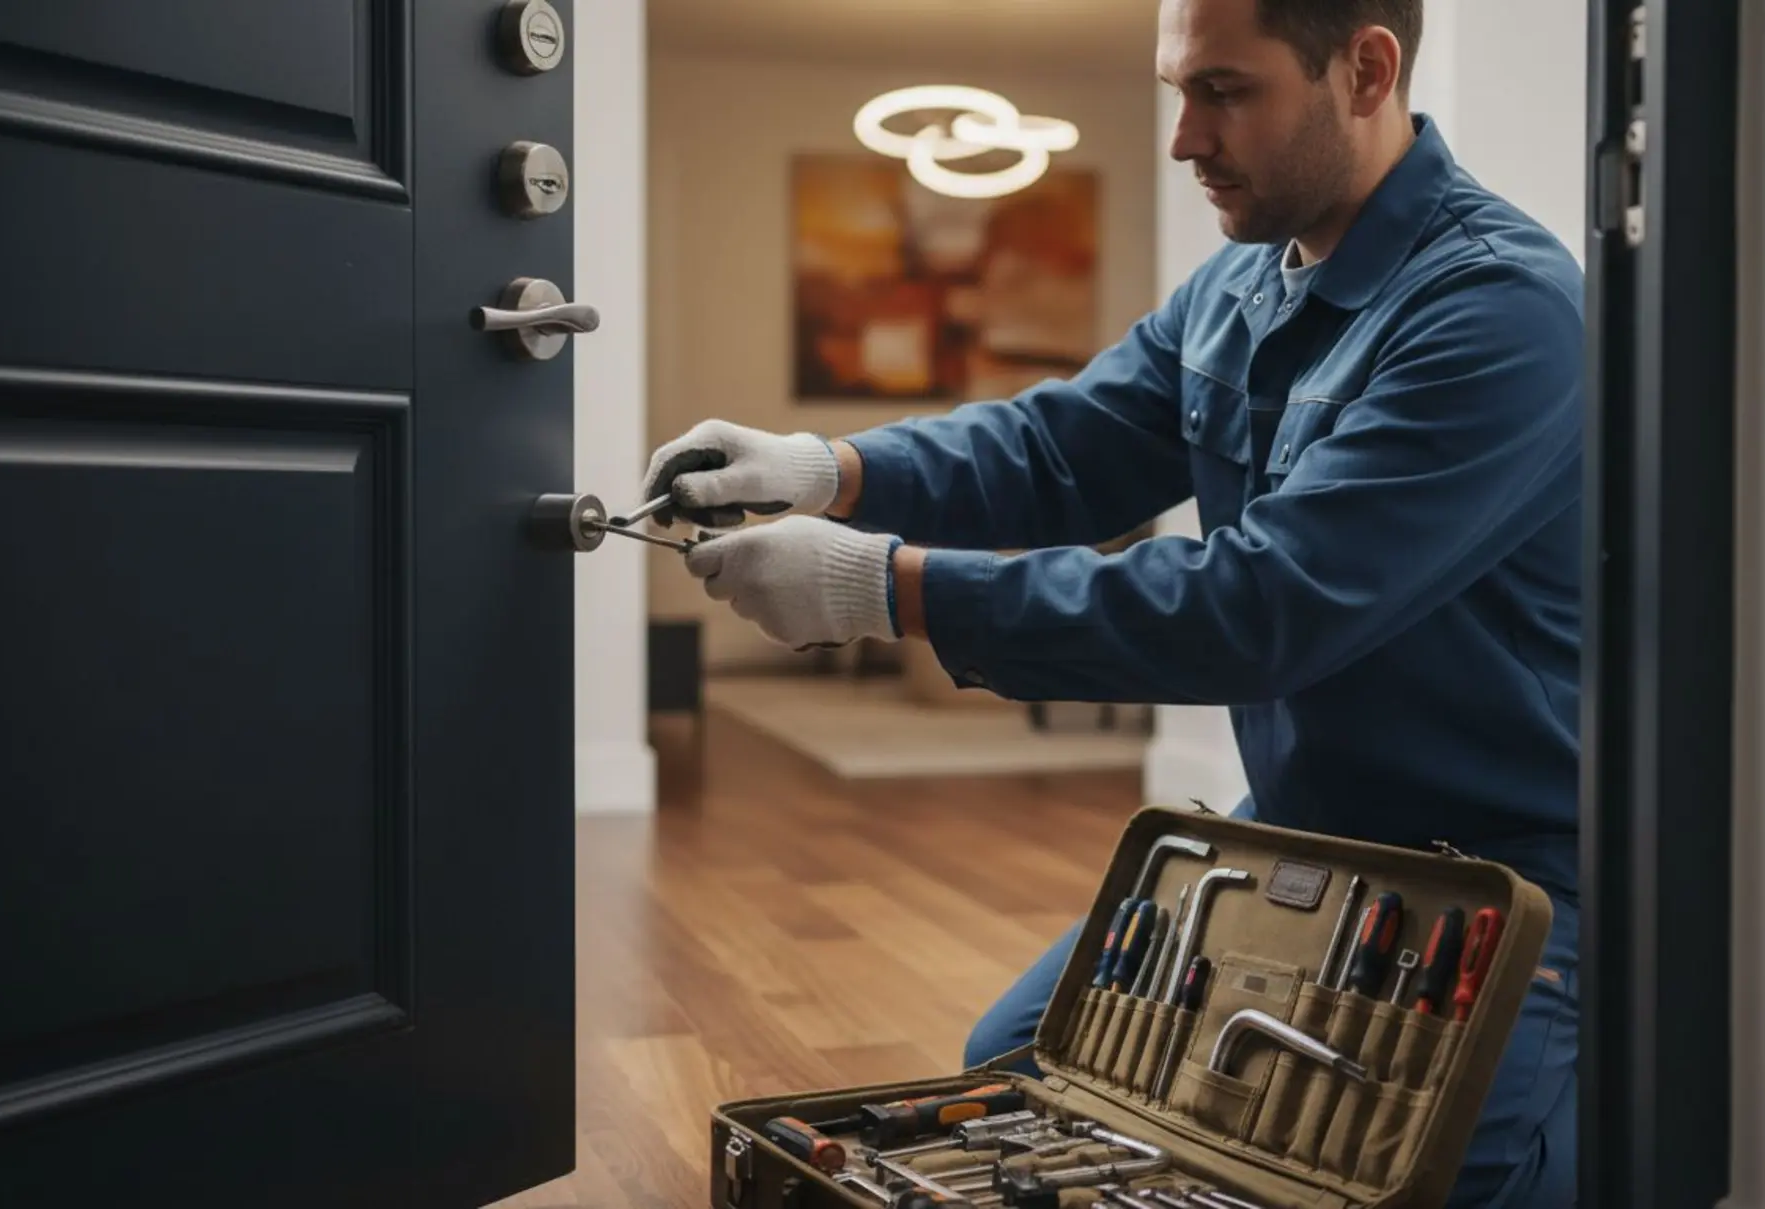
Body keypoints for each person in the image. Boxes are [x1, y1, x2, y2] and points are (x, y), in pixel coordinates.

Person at [644, 0, 1581, 1204]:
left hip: (1509, 876)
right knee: (1015, 1065)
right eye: (1177, 91)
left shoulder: (1497, 313)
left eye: (1225, 93)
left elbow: (1257, 609)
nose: (1184, 138)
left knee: (1424, 1176)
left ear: (1366, 67)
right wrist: (829, 468)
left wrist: (876, 585)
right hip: (1307, 834)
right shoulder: (1237, 284)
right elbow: (1056, 451)